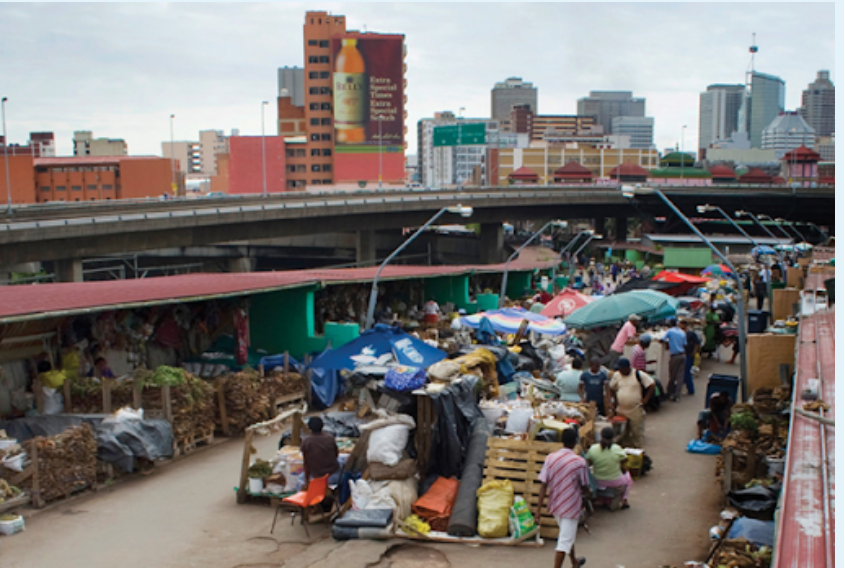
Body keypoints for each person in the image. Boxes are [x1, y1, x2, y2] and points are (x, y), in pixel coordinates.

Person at [535, 428, 589, 568]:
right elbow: (585, 486)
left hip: (556, 503)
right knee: (565, 540)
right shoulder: (579, 462)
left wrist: (538, 511)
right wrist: (587, 498)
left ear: (561, 441)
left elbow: (543, 485)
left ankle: (574, 562)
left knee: (566, 534)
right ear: (575, 442)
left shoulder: (551, 458)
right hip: (571, 506)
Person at [609, 358, 654, 449]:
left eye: (622, 369)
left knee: (636, 432)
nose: (620, 371)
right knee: (622, 434)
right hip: (621, 409)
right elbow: (611, 388)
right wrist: (615, 401)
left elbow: (651, 384)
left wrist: (646, 399)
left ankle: (638, 450)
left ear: (627, 368)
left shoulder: (638, 374)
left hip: (635, 409)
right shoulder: (617, 375)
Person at [586, 427, 633, 511]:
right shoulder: (617, 449)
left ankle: (600, 498)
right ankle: (624, 500)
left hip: (598, 481)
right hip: (615, 482)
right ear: (613, 438)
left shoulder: (593, 449)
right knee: (628, 477)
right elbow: (625, 461)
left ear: (601, 436)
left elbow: (588, 463)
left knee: (592, 473)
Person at [300, 417, 339, 487]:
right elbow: (336, 455)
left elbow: (306, 463)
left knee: (299, 479)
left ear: (309, 427)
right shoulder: (330, 438)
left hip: (316, 478)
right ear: (323, 426)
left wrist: (306, 481)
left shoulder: (306, 442)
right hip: (332, 476)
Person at [662, 318, 686, 402]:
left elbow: (662, 339)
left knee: (672, 375)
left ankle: (670, 393)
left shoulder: (670, 331)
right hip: (682, 355)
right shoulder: (682, 332)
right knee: (680, 376)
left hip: (675, 356)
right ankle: (677, 395)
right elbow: (684, 344)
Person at [681, 319, 700, 396]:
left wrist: (694, 352)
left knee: (687, 373)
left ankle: (690, 390)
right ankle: (687, 388)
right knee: (684, 373)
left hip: (689, 355)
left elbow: (697, 344)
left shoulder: (691, 334)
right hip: (684, 354)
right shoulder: (681, 333)